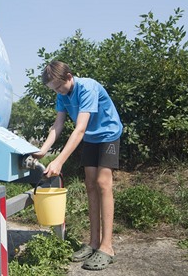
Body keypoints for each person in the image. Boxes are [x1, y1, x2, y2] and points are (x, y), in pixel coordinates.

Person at [32, 60, 123, 271]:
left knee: (102, 183)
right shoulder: (62, 94)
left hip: (108, 135)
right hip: (92, 138)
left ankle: (107, 247)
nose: (58, 92)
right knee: (90, 184)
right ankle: (93, 243)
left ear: (69, 76)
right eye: (53, 89)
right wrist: (44, 150)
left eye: (58, 87)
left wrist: (59, 161)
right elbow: (58, 124)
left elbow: (79, 130)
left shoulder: (87, 88)